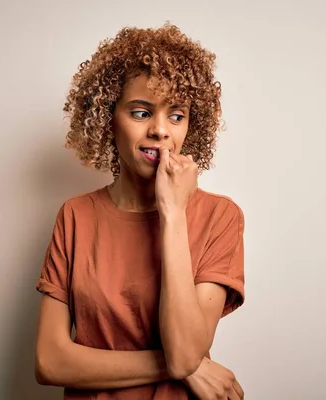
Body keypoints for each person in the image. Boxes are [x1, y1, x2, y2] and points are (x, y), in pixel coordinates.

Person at [34, 23, 245, 400]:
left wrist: (173, 213)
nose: (161, 130)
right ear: (107, 120)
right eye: (141, 112)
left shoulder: (220, 217)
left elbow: (185, 355)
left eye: (176, 115)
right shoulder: (76, 216)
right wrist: (190, 365)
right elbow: (50, 362)